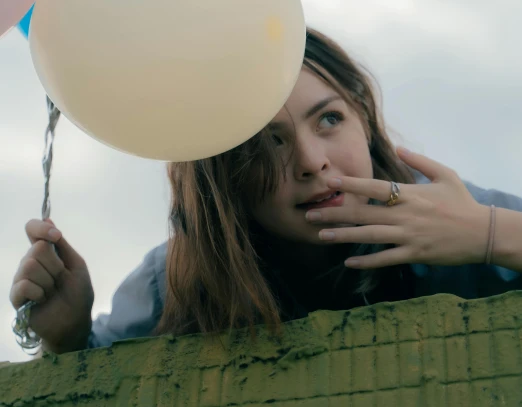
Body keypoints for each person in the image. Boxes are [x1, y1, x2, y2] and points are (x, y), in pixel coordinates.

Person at [10, 28, 522, 356]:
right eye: (265, 144)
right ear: (221, 172)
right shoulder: (178, 280)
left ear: (363, 118)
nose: (309, 161)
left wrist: (488, 232)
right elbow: (101, 365)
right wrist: (67, 336)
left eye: (328, 118)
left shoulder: (454, 212)